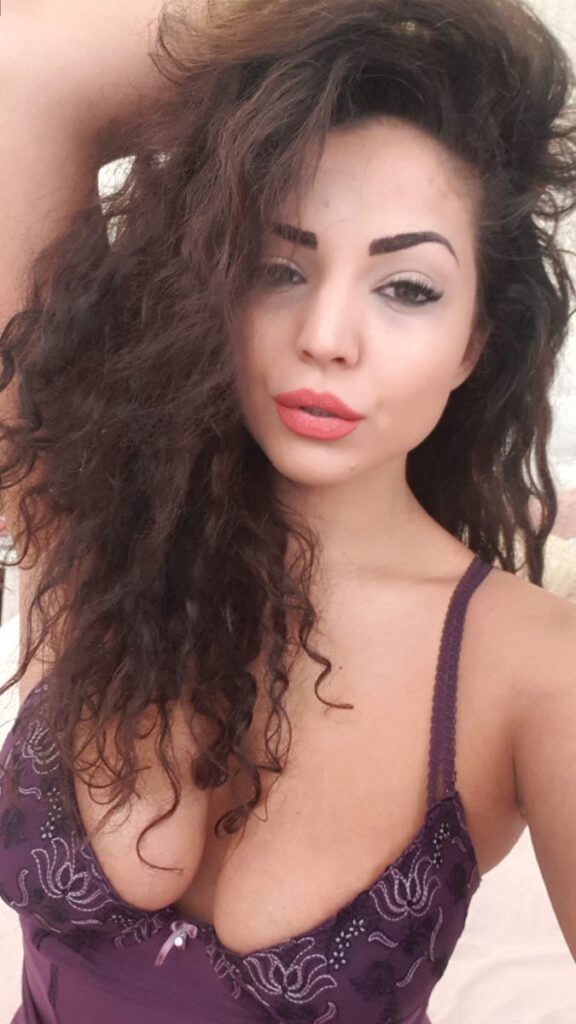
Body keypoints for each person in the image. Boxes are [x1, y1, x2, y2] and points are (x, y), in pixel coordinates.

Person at [0, 1, 575, 1021]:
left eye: (407, 288)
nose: (327, 335)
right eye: (278, 267)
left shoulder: (531, 670)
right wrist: (300, 52)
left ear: (476, 343)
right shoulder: (88, 513)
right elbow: (23, 71)